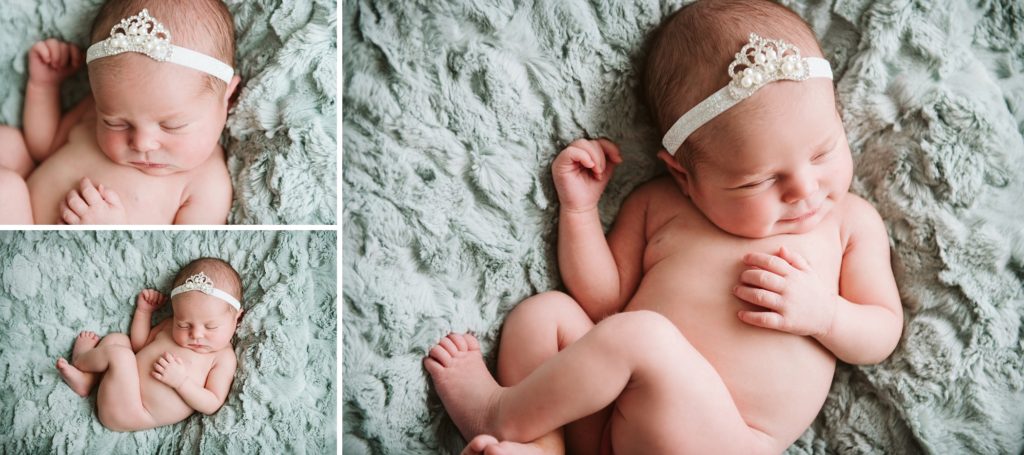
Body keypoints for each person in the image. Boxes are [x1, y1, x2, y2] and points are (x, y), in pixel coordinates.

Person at [425, 0, 904, 453]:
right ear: (685, 176)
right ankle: (540, 443)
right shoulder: (660, 204)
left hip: (728, 437)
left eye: (824, 151)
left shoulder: (849, 222)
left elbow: (882, 331)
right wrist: (580, 211)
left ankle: (498, 413)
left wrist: (826, 315)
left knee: (642, 336)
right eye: (759, 180)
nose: (805, 188)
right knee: (544, 315)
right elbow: (604, 300)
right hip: (608, 415)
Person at [0, 0, 240, 224]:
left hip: (41, 238)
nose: (142, 143)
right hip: (25, 199)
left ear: (227, 99)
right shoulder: (103, 107)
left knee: (6, 189)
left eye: (171, 126)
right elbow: (45, 147)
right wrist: (44, 87)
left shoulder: (208, 184)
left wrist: (113, 229)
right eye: (116, 124)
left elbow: (178, 249)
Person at [56, 257, 243, 431]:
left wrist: (181, 382)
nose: (196, 334)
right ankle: (87, 381)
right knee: (118, 340)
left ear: (236, 317)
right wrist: (144, 313)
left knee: (120, 355)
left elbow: (212, 403)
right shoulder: (170, 326)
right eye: (184, 324)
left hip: (133, 412)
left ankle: (81, 359)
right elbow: (139, 345)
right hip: (121, 387)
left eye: (211, 327)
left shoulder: (223, 357)